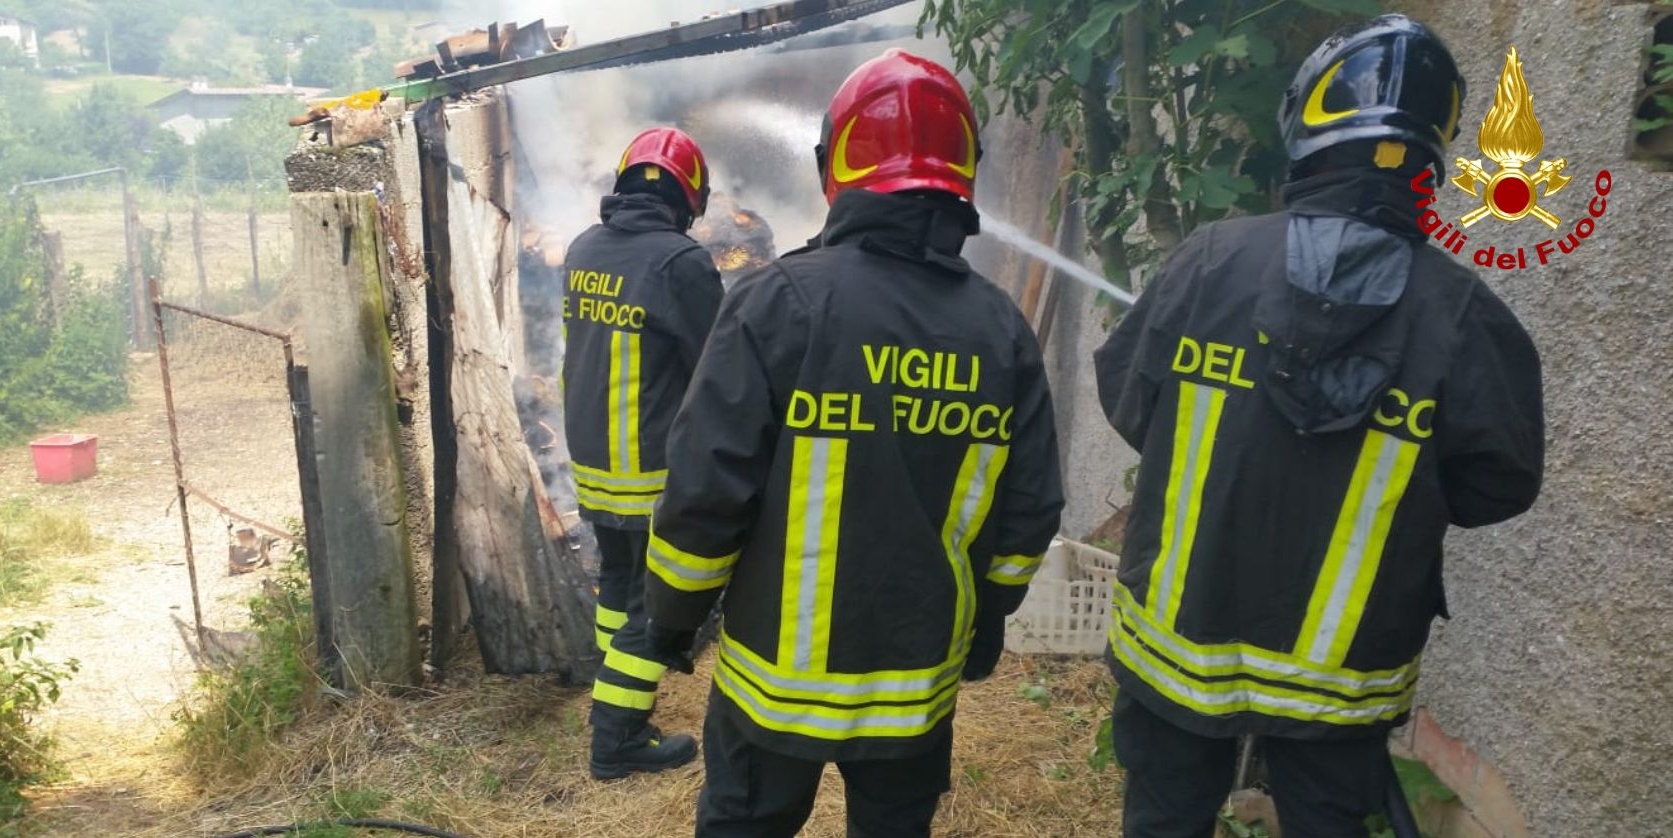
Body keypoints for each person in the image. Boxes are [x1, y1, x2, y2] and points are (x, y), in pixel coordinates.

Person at [1093, 15, 1545, 837]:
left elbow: (1129, 403)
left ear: (1306, 125)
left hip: (1178, 650)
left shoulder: (1210, 263)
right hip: (1343, 683)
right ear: (1432, 152)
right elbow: (1498, 485)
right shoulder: (1465, 318)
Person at [643, 49, 1065, 837]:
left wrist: (672, 614)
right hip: (914, 685)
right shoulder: (999, 329)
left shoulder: (777, 302)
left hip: (773, 687)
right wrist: (989, 617)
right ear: (964, 170)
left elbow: (705, 490)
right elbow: (1031, 509)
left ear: (834, 163)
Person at [561, 126, 724, 780]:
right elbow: (717, 364)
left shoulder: (583, 248)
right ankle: (617, 736)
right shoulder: (680, 262)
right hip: (647, 470)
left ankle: (613, 688)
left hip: (592, 458)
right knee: (651, 606)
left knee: (619, 582)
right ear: (689, 197)